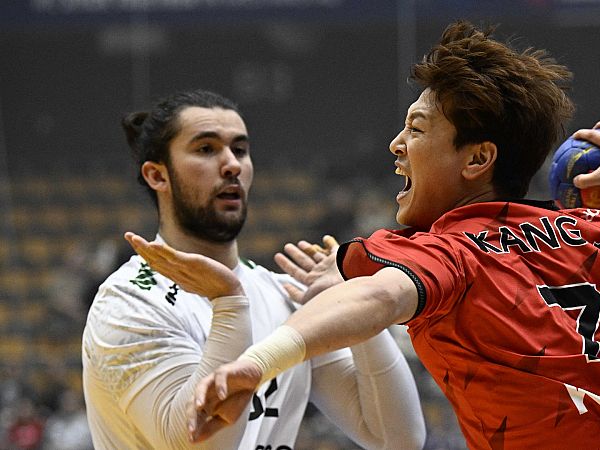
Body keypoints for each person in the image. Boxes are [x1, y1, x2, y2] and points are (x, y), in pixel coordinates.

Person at [127, 22, 600, 449]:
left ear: (476, 158)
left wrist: (254, 362)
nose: (396, 146)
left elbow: (382, 300)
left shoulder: (448, 250)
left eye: (417, 128)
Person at [81, 89, 426, 450]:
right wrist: (229, 303)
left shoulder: (284, 294)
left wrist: (352, 304)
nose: (231, 164)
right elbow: (197, 445)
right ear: (157, 175)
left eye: (240, 150)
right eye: (206, 149)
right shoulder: (128, 302)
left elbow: (398, 439)